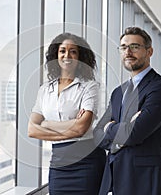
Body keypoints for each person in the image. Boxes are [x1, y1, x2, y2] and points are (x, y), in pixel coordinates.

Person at [93, 26, 161, 195]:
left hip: (145, 179)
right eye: (123, 47)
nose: (128, 52)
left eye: (135, 47)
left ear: (149, 51)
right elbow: (97, 135)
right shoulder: (118, 92)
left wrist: (111, 129)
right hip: (115, 176)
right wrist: (123, 131)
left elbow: (135, 133)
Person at [28, 33, 106, 195]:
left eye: (73, 51)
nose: (67, 55)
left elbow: (81, 129)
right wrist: (70, 126)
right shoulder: (45, 90)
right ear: (56, 55)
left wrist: (47, 125)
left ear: (80, 57)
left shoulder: (89, 87)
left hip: (87, 163)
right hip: (59, 164)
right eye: (62, 51)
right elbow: (32, 130)